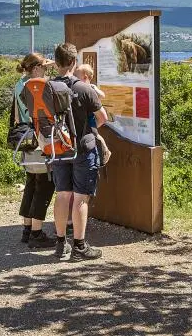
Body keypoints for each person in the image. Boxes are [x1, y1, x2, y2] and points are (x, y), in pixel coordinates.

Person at [50, 43, 108, 260]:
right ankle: (80, 246)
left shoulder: (48, 87)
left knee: (62, 194)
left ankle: (60, 243)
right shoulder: (83, 88)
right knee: (81, 197)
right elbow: (103, 117)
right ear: (74, 62)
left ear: (56, 62)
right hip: (82, 147)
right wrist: (91, 132)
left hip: (58, 147)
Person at [13, 52, 57, 248]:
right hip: (38, 138)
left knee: (31, 182)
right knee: (44, 184)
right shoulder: (34, 87)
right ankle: (37, 234)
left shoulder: (20, 83)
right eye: (44, 67)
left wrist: (45, 65)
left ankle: (27, 229)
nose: (46, 71)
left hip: (25, 139)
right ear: (36, 68)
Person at [73, 63, 111, 164]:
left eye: (77, 75)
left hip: (92, 114)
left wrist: (95, 93)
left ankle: (106, 151)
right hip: (89, 114)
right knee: (95, 134)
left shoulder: (90, 87)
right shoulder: (81, 88)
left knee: (96, 134)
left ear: (85, 76)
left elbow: (102, 95)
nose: (75, 78)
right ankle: (105, 151)